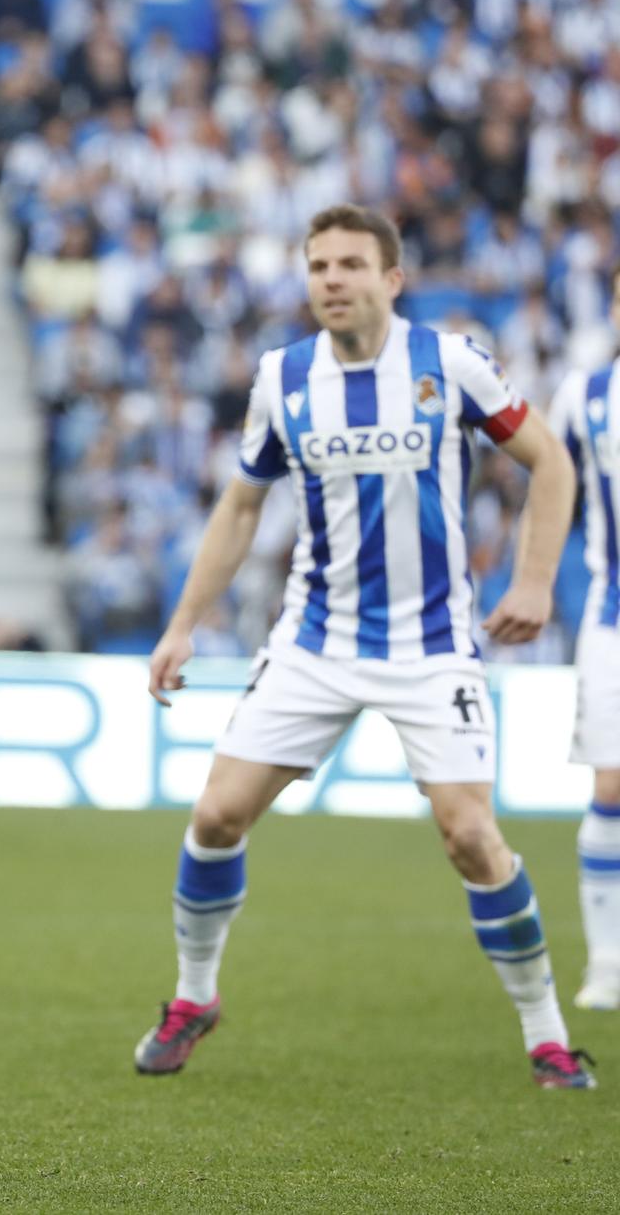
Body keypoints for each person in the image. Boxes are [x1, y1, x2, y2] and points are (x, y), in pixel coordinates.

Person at [137, 204, 593, 1089]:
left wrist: (535, 583)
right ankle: (195, 995)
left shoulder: (448, 362)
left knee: (469, 834)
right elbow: (240, 505)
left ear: (392, 278)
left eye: (350, 264)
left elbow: (553, 461)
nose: (332, 280)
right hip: (315, 639)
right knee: (216, 816)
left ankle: (546, 1033)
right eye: (318, 266)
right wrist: (183, 621)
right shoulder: (283, 375)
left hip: (432, 645)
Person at [552, 270, 620, 1012]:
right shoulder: (586, 395)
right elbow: (549, 482)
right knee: (611, 783)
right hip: (613, 614)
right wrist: (536, 580)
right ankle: (607, 961)